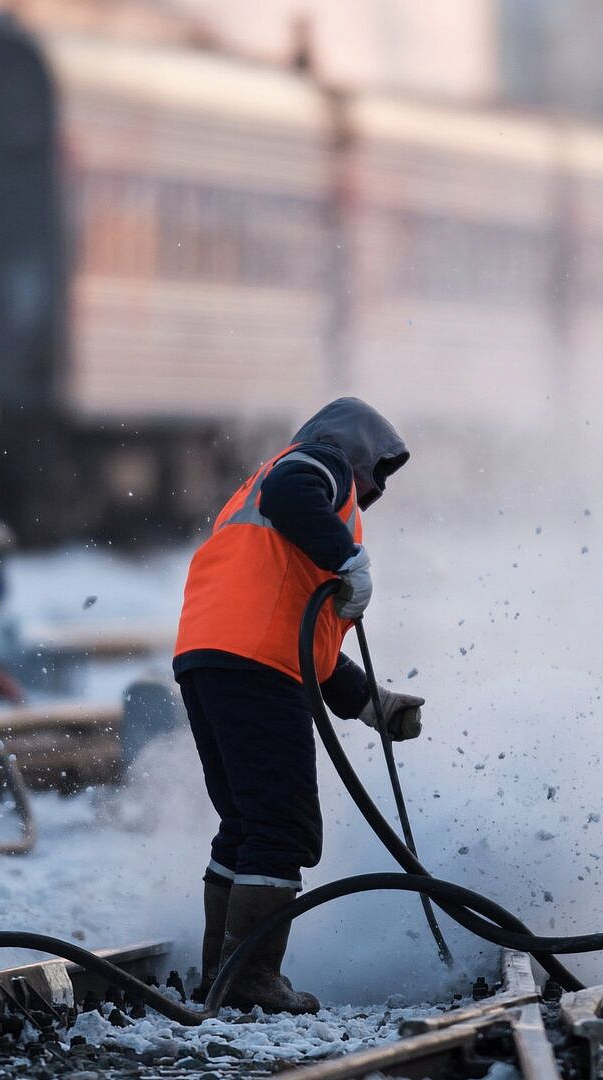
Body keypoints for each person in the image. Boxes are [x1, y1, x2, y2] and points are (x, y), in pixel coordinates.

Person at [173, 397, 423, 1014]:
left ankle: (224, 977)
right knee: (281, 829)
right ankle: (252, 981)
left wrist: (372, 703)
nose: (375, 491)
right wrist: (351, 560)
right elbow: (295, 492)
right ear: (359, 450)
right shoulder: (316, 464)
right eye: (378, 473)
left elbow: (302, 636)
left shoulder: (265, 502)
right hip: (254, 666)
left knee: (248, 824)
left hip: (212, 656)